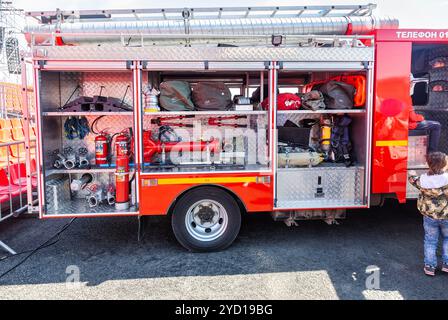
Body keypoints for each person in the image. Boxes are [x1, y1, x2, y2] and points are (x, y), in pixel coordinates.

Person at [409, 152, 448, 276]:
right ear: (445, 165)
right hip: (446, 216)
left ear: (428, 164)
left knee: (430, 241)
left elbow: (412, 179)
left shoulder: (423, 180)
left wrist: (412, 172)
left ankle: (430, 266)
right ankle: (446, 264)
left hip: (429, 217)